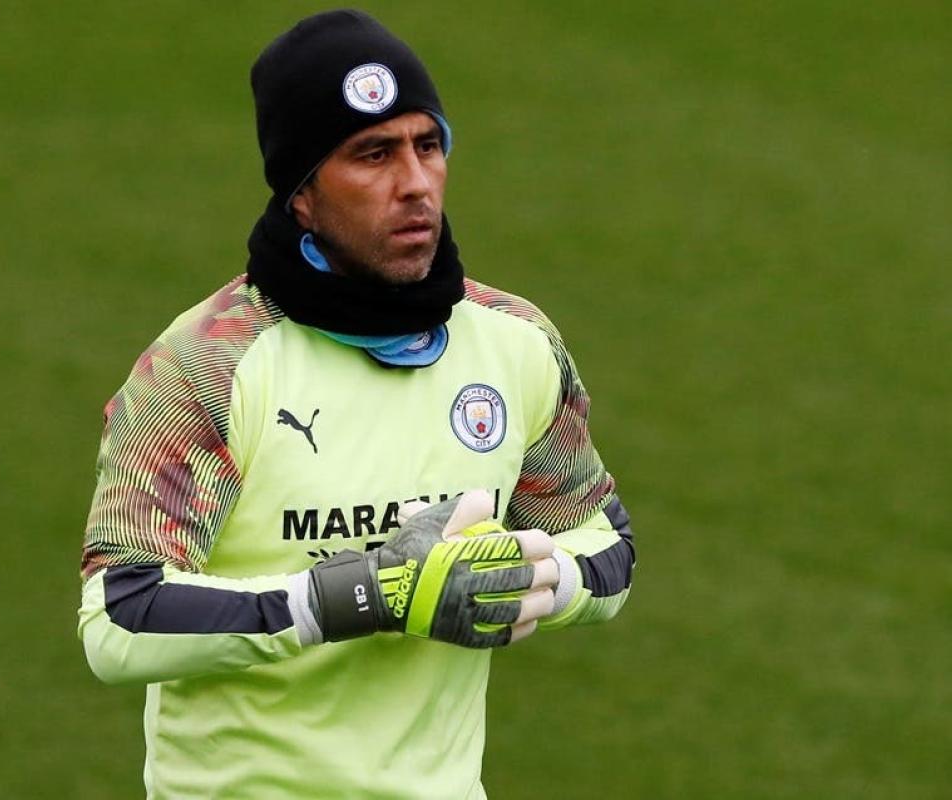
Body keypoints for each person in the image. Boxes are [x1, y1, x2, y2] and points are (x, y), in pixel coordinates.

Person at [77, 9, 635, 798]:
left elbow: (606, 550)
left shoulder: (513, 344)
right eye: (373, 154)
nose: (415, 183)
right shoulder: (208, 365)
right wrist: (362, 597)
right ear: (302, 194)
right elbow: (120, 619)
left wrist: (525, 577)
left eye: (427, 146)